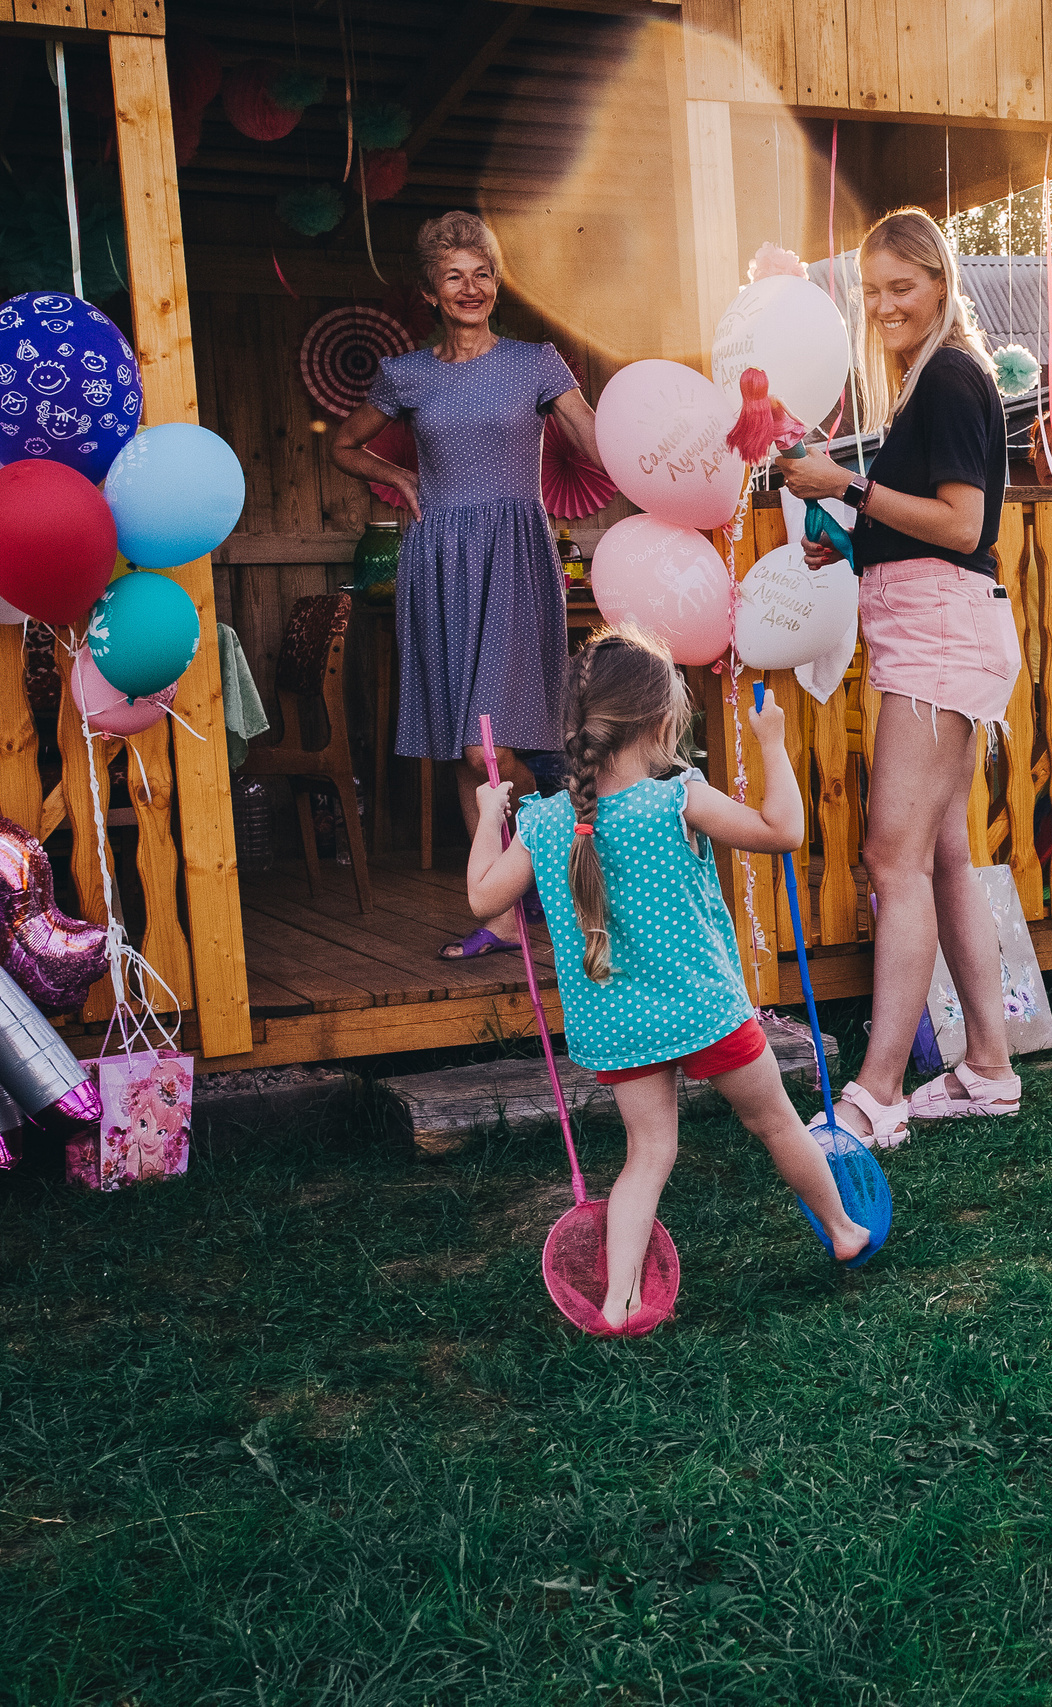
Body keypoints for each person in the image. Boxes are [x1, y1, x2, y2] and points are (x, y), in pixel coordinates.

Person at [465, 629, 871, 1331]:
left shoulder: (545, 822)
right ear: (660, 723)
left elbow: (482, 900)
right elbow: (783, 831)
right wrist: (772, 743)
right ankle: (841, 1229)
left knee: (647, 1154)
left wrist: (486, 818)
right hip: (703, 1009)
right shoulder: (678, 799)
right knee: (776, 1121)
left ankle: (619, 1299)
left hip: (618, 1023)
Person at [781, 209, 1027, 1147]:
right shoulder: (930, 378)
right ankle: (989, 1068)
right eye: (872, 290)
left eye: (902, 287)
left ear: (940, 284)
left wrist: (844, 487)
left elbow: (963, 525)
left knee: (894, 856)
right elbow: (925, 524)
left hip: (941, 635)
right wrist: (850, 536)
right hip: (934, 627)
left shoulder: (952, 375)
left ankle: (877, 1092)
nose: (884, 305)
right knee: (944, 852)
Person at [332, 209, 606, 962]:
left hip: (516, 557)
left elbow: (599, 442)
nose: (471, 286)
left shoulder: (536, 363)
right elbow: (345, 445)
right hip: (441, 562)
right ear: (429, 291)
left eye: (483, 272)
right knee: (467, 748)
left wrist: (666, 457)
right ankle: (502, 916)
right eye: (453, 276)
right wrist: (397, 476)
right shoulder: (406, 375)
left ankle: (558, 856)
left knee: (499, 752)